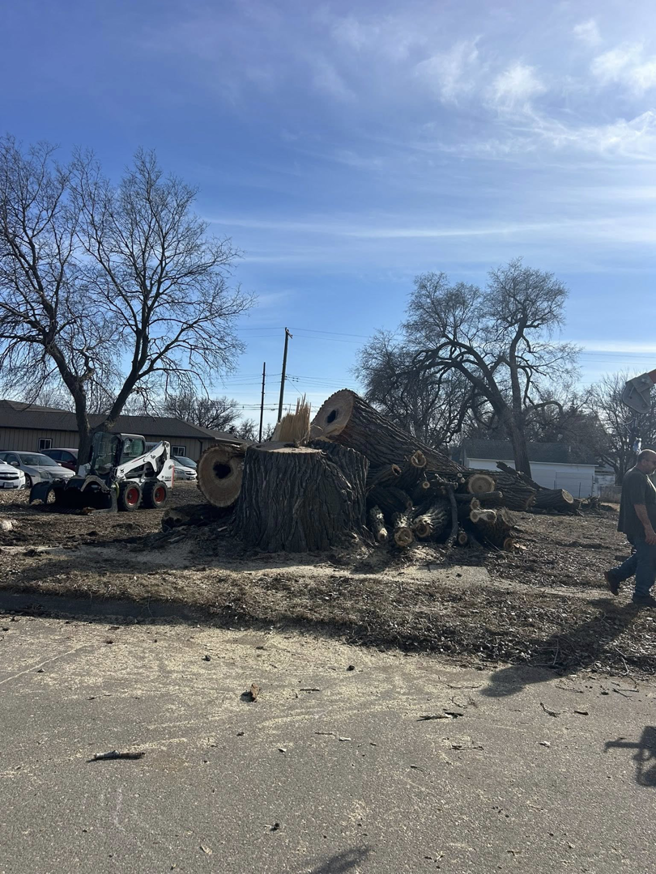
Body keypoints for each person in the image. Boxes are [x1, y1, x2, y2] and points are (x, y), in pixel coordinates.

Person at [605, 448, 656, 606]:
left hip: (643, 527)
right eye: (654, 462)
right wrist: (648, 528)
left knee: (643, 555)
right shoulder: (636, 477)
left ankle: (615, 575)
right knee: (648, 559)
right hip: (641, 527)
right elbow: (638, 504)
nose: (655, 465)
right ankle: (641, 594)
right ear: (644, 461)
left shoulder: (641, 476)